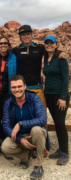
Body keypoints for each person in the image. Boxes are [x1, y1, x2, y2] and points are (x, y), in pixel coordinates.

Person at [1, 75, 50, 180]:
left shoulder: (34, 98)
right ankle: (25, 157)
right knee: (5, 147)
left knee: (36, 129)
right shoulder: (8, 103)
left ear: (25, 86)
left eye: (19, 86)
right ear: (10, 88)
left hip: (34, 135)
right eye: (14, 87)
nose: (17, 89)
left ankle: (38, 165)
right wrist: (20, 139)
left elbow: (42, 119)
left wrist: (20, 124)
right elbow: (5, 125)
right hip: (20, 137)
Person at [12, 25, 67, 109]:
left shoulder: (39, 47)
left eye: (28, 34)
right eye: (23, 34)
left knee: (41, 114)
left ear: (31, 35)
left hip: (38, 87)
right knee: (26, 114)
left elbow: (52, 49)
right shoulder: (16, 50)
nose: (26, 36)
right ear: (20, 37)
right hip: (22, 89)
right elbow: (2, 51)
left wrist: (62, 53)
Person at [43, 36, 70, 165]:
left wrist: (63, 97)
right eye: (47, 43)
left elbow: (66, 80)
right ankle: (60, 150)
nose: (49, 45)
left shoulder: (61, 59)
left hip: (60, 96)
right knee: (56, 122)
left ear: (56, 44)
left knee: (60, 123)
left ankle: (65, 152)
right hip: (48, 94)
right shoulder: (46, 58)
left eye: (51, 43)